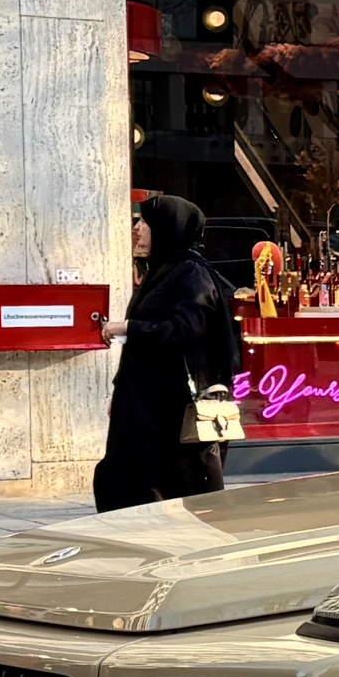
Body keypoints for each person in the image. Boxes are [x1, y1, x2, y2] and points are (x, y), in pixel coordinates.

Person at [93, 194, 239, 512]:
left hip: (171, 409)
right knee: (127, 479)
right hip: (144, 403)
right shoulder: (163, 271)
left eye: (145, 222)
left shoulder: (191, 274)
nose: (137, 228)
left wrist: (128, 327)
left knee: (169, 484)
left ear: (166, 228)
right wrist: (121, 394)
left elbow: (185, 328)